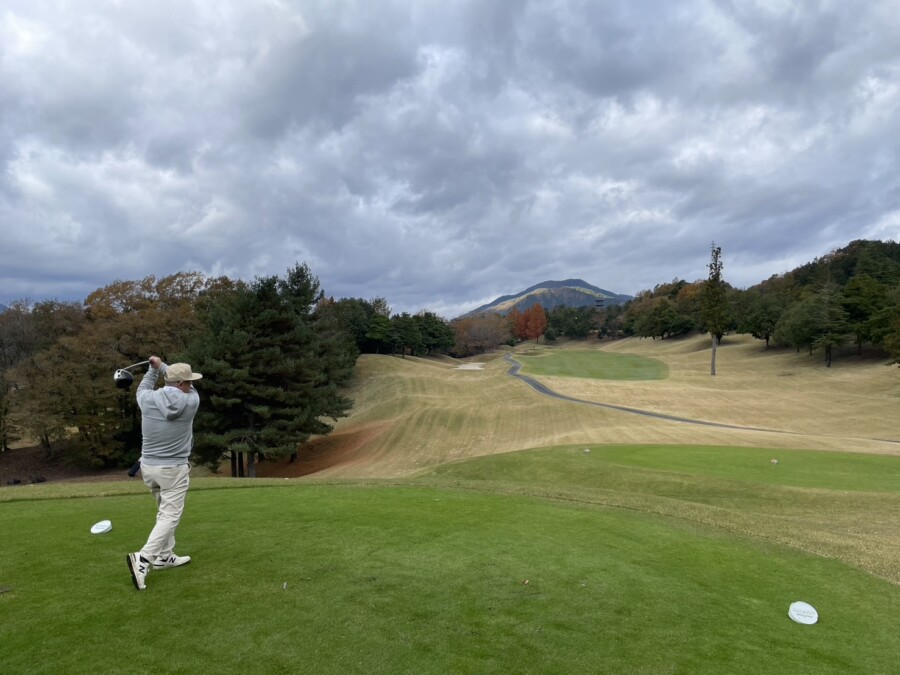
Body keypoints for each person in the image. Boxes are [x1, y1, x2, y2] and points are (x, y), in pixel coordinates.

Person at [126, 356, 202, 591]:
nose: (191, 385)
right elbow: (188, 388)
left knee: (163, 511)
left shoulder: (146, 399)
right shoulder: (191, 401)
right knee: (170, 515)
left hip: (148, 467)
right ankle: (145, 557)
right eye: (188, 381)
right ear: (180, 384)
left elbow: (143, 386)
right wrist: (161, 366)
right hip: (173, 469)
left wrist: (153, 370)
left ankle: (164, 556)